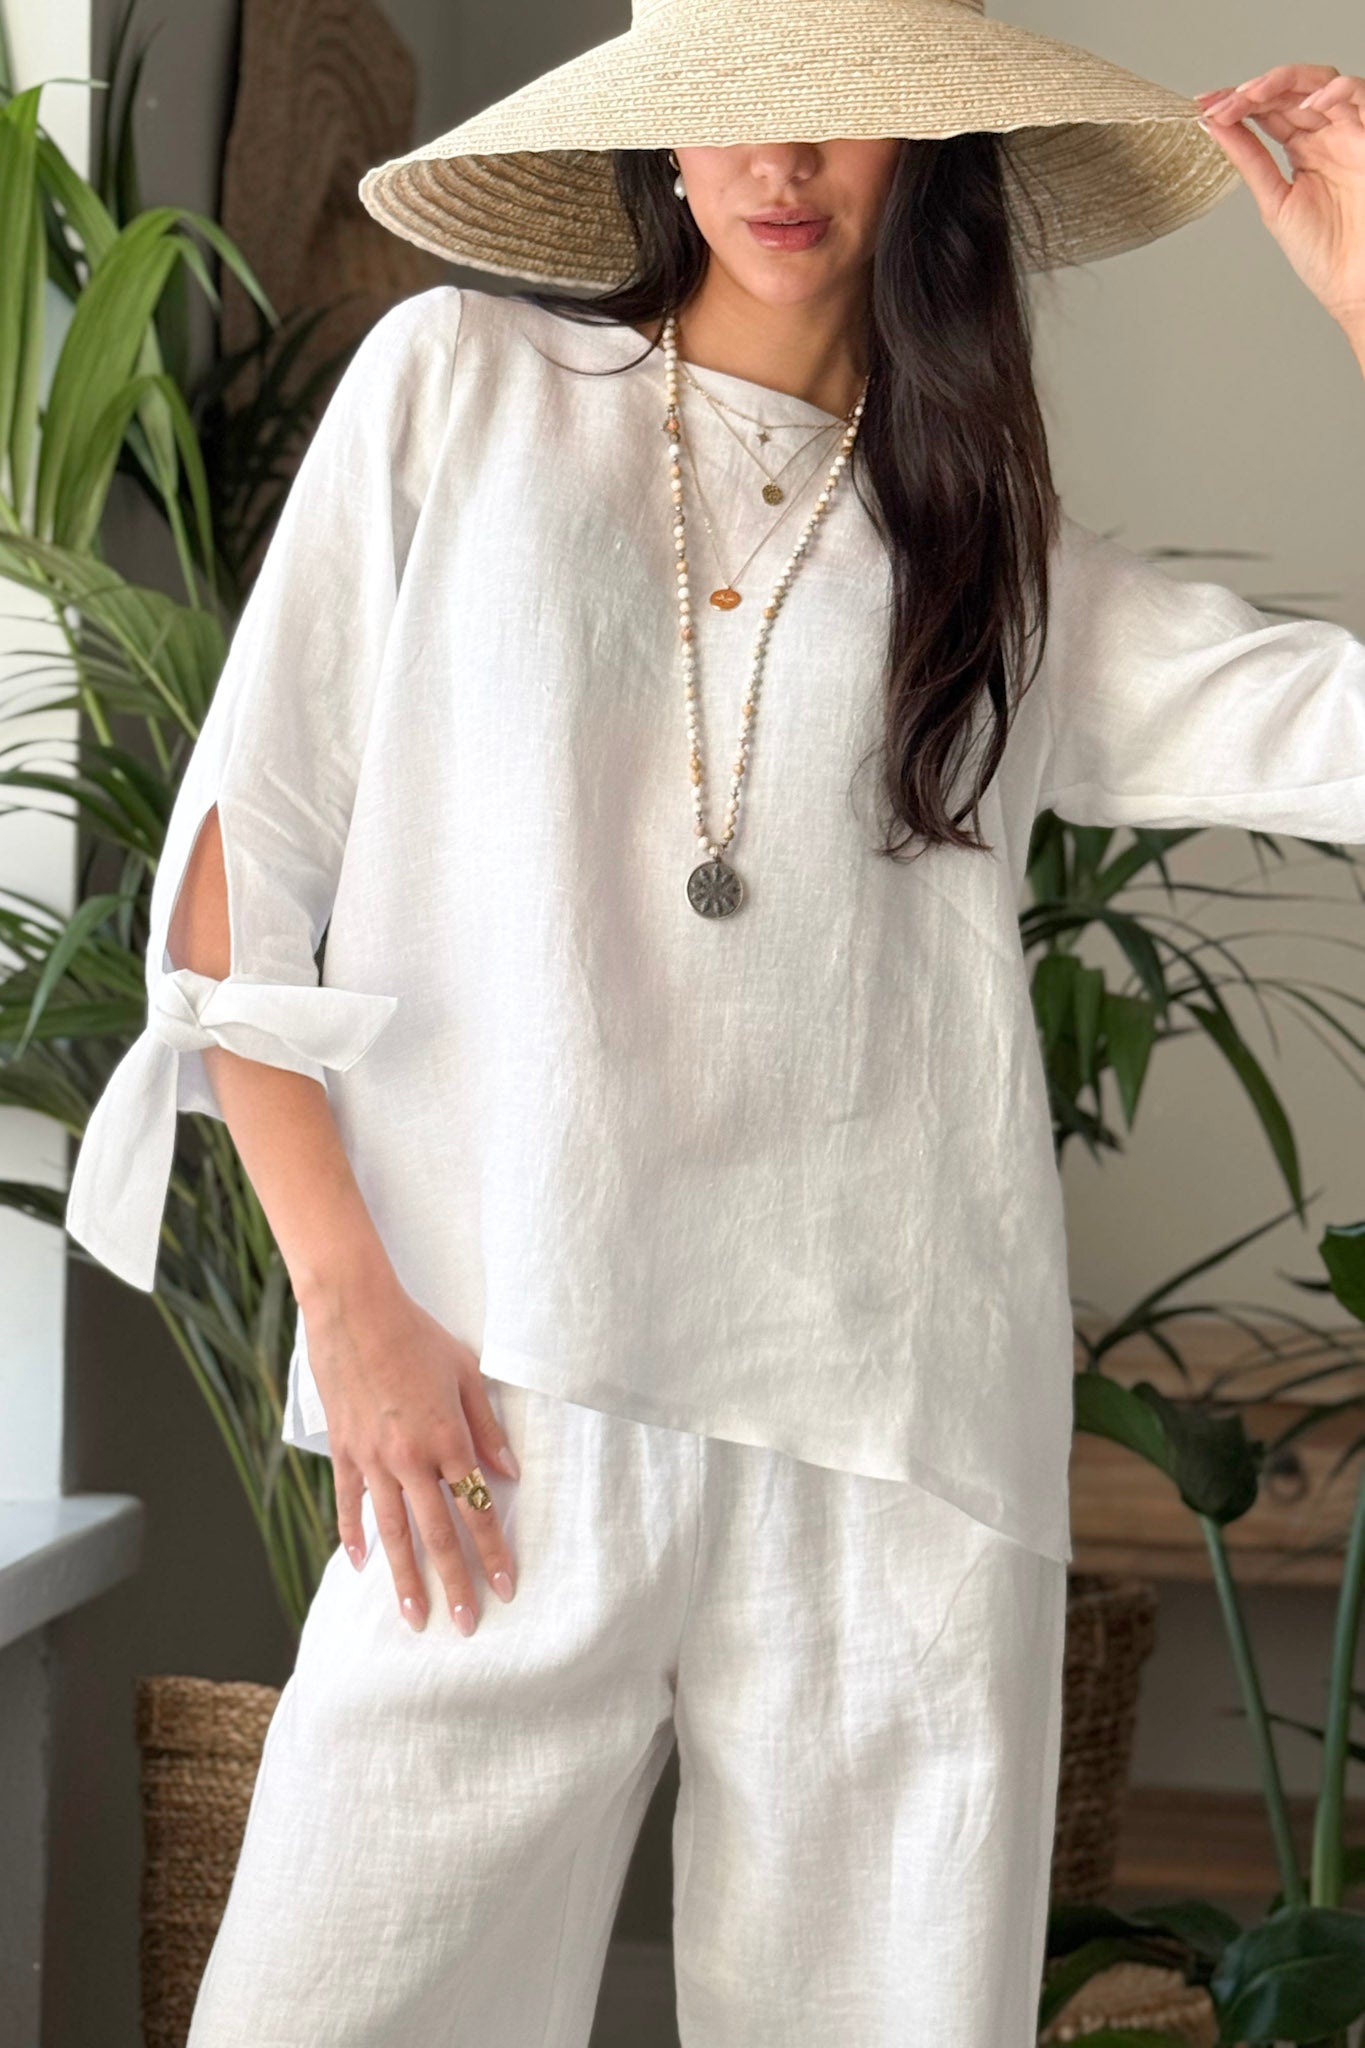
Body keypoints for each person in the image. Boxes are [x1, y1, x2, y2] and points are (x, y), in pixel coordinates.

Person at [63, 0, 1365, 2038]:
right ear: (655, 141)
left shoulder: (999, 566)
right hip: (505, 1394)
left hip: (897, 1435)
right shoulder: (458, 386)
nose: (777, 161)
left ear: (927, 151)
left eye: (840, 112)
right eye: (725, 107)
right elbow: (248, 864)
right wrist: (351, 1300)